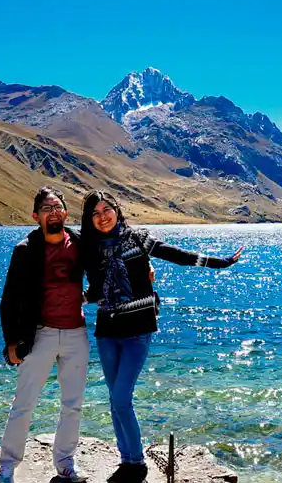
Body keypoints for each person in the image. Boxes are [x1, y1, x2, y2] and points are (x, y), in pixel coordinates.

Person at [80, 190, 242, 483]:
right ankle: (126, 458)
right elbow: (95, 289)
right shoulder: (89, 250)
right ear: (89, 219)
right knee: (114, 399)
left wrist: (220, 262)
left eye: (107, 210)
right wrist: (75, 298)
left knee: (121, 398)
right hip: (107, 331)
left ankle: (136, 462)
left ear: (117, 211)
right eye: (95, 213)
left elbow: (176, 255)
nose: (102, 217)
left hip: (138, 330)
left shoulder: (138, 239)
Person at [0, 186, 89, 483]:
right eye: (47, 209)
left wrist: (145, 269)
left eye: (58, 207)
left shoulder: (79, 243)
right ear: (36, 216)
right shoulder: (24, 250)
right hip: (40, 333)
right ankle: (8, 466)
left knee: (72, 404)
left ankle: (65, 464)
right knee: (24, 402)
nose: (53, 212)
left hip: (76, 333)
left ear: (66, 212)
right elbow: (9, 297)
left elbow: (107, 267)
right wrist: (11, 340)